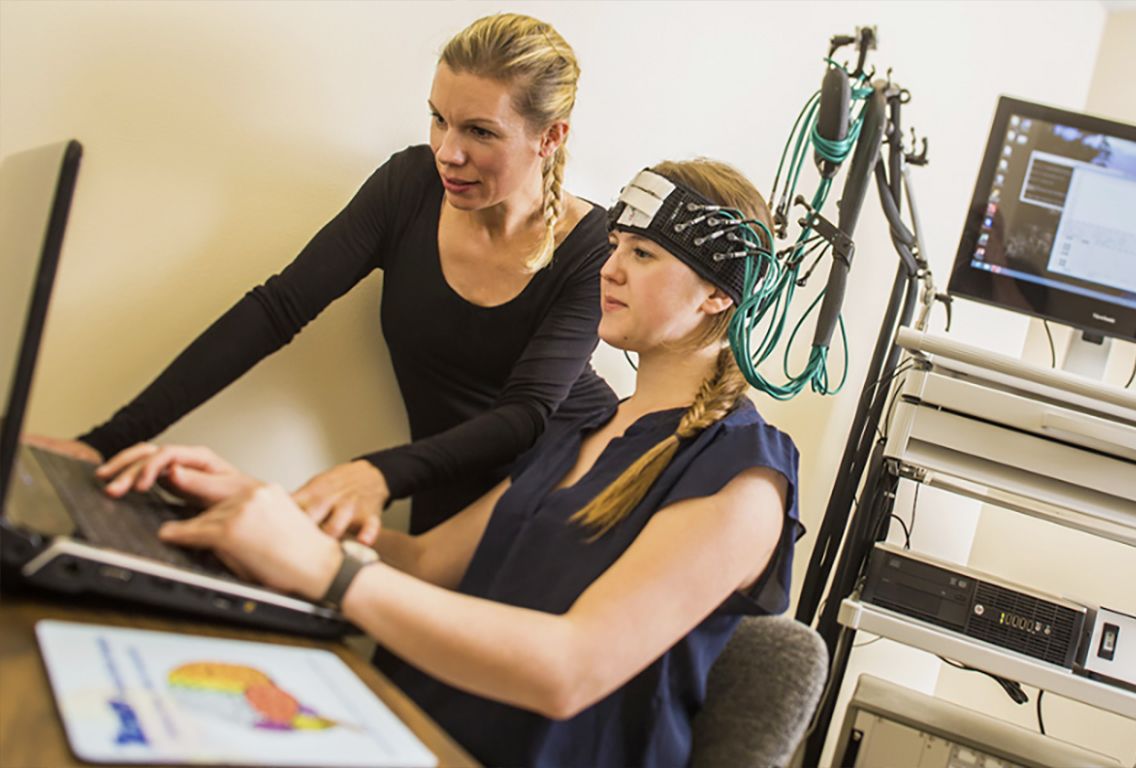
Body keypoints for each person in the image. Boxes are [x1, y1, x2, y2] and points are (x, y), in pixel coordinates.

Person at [104, 159, 803, 767]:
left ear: (719, 294)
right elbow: (424, 561)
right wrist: (265, 502)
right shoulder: (588, 422)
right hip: (416, 730)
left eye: (644, 255)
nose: (610, 266)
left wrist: (325, 569)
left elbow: (568, 670)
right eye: (615, 243)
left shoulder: (743, 480)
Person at [31, 12, 616, 539]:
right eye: (439, 119)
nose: (447, 151)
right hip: (442, 494)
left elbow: (527, 413)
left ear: (550, 136)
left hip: (572, 488)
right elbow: (277, 309)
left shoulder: (594, 245)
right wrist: (102, 443)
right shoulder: (408, 188)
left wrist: (372, 474)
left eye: (480, 132)